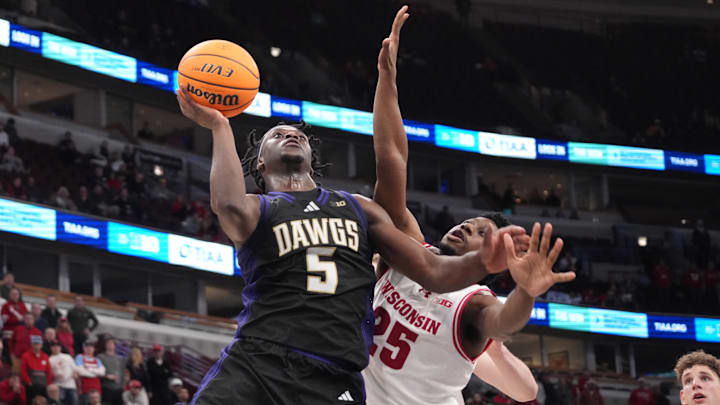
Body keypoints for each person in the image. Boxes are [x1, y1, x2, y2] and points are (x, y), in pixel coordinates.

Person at [176, 65, 525, 403]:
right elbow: (228, 205)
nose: (290, 135)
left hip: (332, 375)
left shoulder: (359, 208)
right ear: (261, 164)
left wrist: (483, 262)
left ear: (313, 158)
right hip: (259, 360)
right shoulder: (258, 209)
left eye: (297, 134)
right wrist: (221, 129)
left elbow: (431, 268)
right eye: (277, 135)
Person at [363, 7, 572, 405]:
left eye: (480, 233)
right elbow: (391, 160)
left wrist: (525, 294)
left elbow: (504, 322)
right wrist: (386, 80)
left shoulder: (475, 303)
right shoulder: (409, 253)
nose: (465, 228)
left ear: (493, 257)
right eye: (469, 222)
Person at [20, 335, 52, 401]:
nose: (37, 346)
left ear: (41, 345)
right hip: (31, 385)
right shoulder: (26, 356)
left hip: (43, 385)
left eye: (38, 344)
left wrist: (48, 383)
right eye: (35, 344)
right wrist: (28, 382)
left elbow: (49, 372)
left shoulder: (45, 356)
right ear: (32, 344)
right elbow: (23, 371)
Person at [2, 288, 26, 370]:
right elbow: (5, 319)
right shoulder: (6, 305)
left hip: (19, 334)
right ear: (10, 295)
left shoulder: (22, 305)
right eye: (13, 294)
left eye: (16, 294)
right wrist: (18, 319)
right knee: (8, 352)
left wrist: (13, 317)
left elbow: (25, 318)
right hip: (8, 333)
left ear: (19, 295)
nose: (15, 296)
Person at [97, 339, 124, 405]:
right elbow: (97, 371)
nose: (110, 345)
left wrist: (123, 386)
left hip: (118, 388)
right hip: (106, 387)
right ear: (105, 345)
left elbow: (122, 372)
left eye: (112, 344)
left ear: (115, 346)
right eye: (108, 343)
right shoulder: (100, 357)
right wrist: (106, 376)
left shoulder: (120, 358)